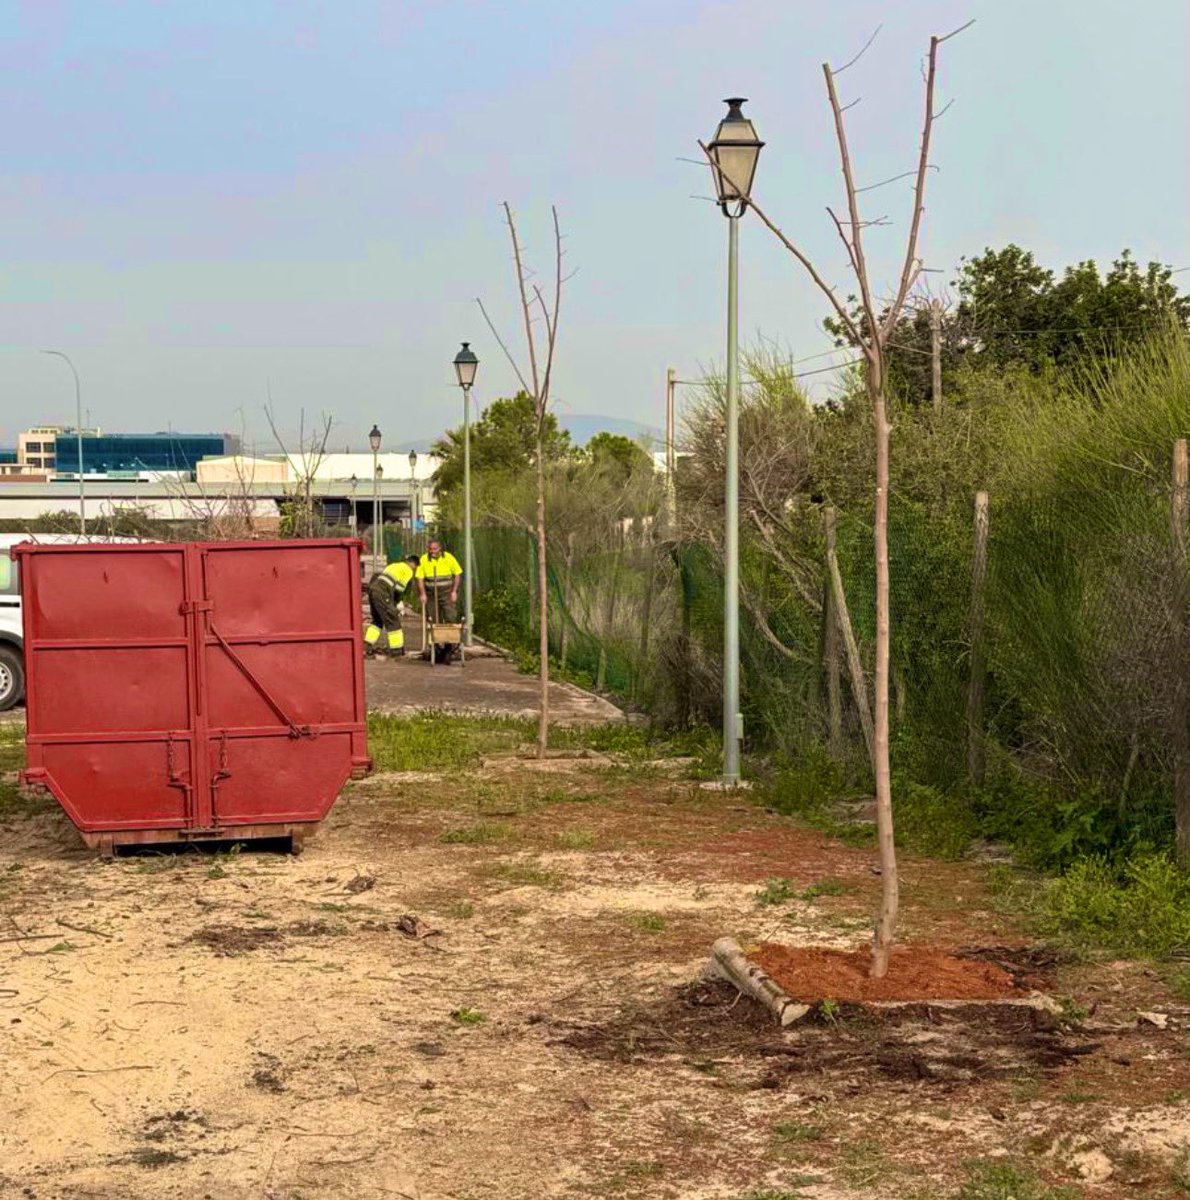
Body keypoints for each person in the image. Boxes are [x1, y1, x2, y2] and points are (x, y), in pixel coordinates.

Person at [364, 555, 419, 658]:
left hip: (374, 590)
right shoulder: (408, 570)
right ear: (413, 564)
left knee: (377, 621)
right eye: (415, 567)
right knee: (393, 620)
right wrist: (397, 603)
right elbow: (399, 589)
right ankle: (396, 651)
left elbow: (377, 576)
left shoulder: (394, 565)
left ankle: (366, 646)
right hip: (383, 592)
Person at [416, 539, 463, 661]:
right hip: (431, 594)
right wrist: (423, 594)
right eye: (430, 549)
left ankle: (448, 647)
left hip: (446, 593)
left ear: (440, 548)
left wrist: (454, 592)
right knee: (433, 620)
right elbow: (420, 579)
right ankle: (436, 647)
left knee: (450, 618)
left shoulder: (449, 558)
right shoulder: (424, 559)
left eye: (434, 549)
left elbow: (457, 574)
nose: (432, 552)